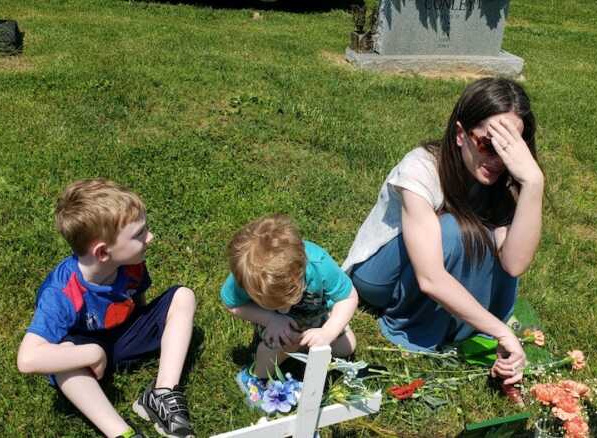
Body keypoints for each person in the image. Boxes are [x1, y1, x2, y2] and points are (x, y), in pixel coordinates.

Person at [342, 78, 543, 385]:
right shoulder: (421, 167)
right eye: (489, 144)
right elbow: (431, 278)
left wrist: (532, 183)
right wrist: (500, 331)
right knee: (454, 230)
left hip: (430, 265)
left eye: (509, 149)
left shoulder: (506, 180)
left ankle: (455, 323)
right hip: (379, 277)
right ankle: (424, 325)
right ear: (461, 134)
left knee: (475, 234)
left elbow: (513, 264)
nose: (497, 160)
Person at [16, 178, 197, 438]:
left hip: (122, 339)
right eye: (139, 234)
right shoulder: (62, 293)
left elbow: (139, 302)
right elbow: (27, 359)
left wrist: (149, 327)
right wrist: (92, 353)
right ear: (102, 253)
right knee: (62, 357)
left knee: (183, 296)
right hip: (85, 360)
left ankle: (162, 393)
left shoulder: (132, 263)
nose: (150, 237)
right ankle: (121, 433)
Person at [220, 214, 358, 402]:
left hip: (315, 314)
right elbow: (231, 304)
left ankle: (303, 346)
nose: (284, 308)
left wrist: (329, 330)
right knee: (273, 350)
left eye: (289, 298)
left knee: (347, 346)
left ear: (301, 270)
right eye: (273, 302)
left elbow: (349, 296)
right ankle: (254, 378)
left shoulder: (319, 265)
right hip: (276, 325)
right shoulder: (246, 277)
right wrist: (270, 318)